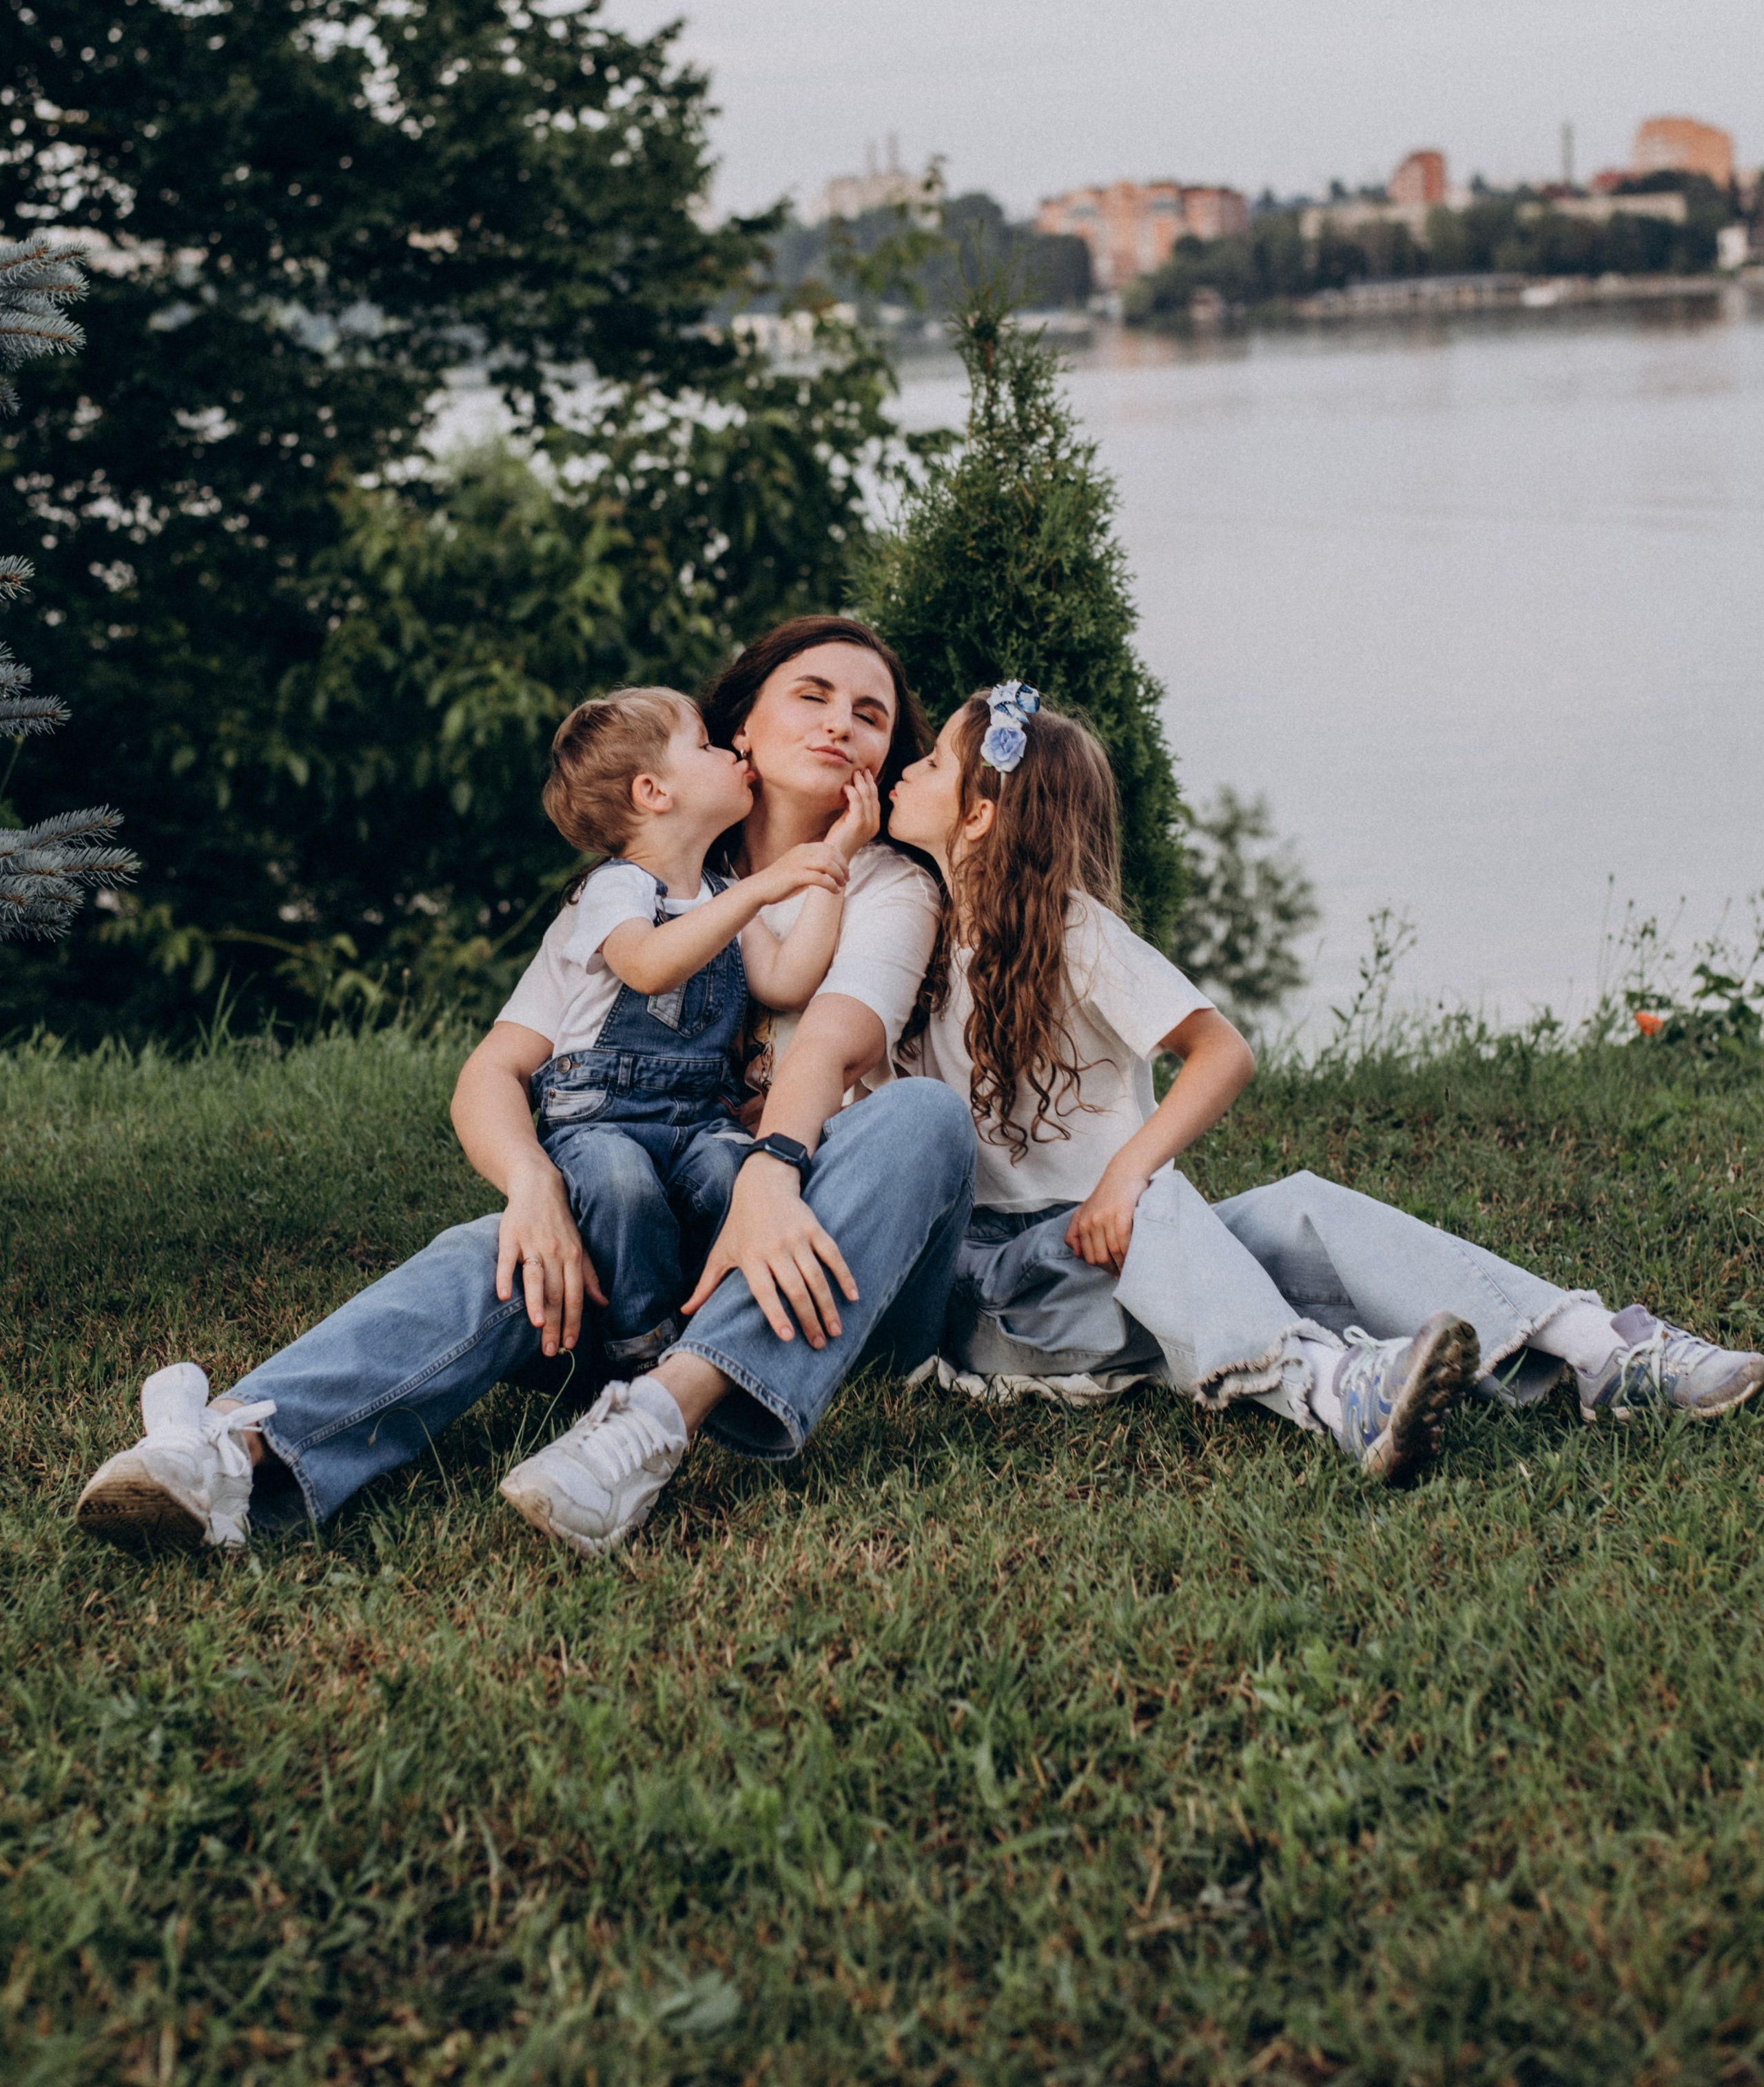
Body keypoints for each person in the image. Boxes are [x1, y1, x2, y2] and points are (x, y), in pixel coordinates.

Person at [75, 618, 975, 1559]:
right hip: (656, 1255)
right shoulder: (637, 888)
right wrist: (535, 1189)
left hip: (829, 1259)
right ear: (740, 726)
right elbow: (492, 1074)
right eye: (814, 695)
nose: (842, 724)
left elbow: (825, 1046)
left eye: (871, 715)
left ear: (882, 755)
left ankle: (655, 1421)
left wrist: (771, 1171)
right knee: (506, 1246)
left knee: (921, 1117)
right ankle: (230, 1448)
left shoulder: (884, 886)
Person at [889, 683, 1764, 1481]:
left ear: (975, 816)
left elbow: (1222, 1052)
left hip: (1125, 1238)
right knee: (1170, 1217)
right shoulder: (908, 939)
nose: (905, 767)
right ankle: (1335, 1386)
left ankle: (1596, 1348)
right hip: (1004, 1295)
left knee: (1294, 1208)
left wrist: (1124, 1176)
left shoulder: (1071, 930)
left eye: (927, 763)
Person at [497, 683, 878, 1375]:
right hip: (602, 1115)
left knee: (731, 1170)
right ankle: (636, 1349)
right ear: (653, 791)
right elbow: (645, 964)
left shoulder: (720, 892)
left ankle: (712, 1325)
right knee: (619, 1186)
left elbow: (788, 980)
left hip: (699, 1113)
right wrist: (762, 888)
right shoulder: (617, 886)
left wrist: (834, 858)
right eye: (705, 744)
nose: (731, 749)